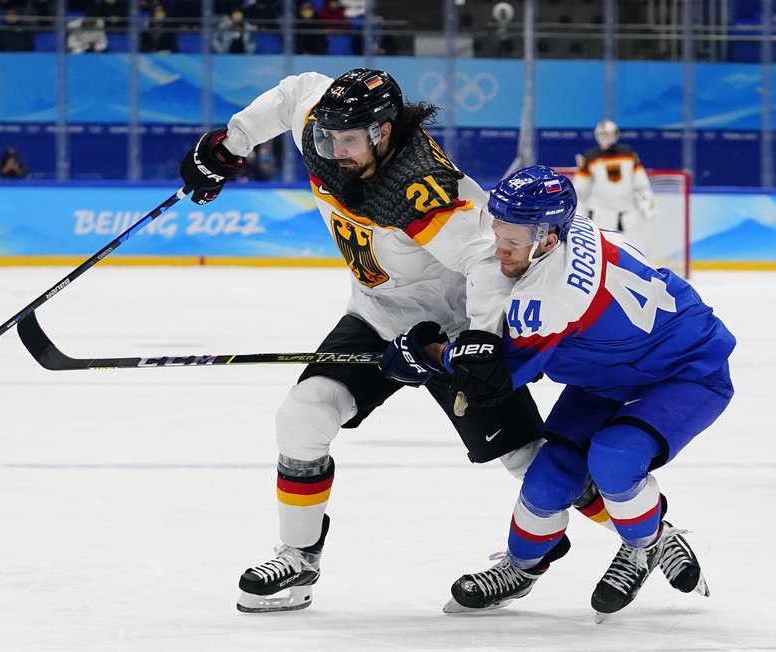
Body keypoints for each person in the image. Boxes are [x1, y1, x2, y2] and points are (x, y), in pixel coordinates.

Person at [178, 68, 566, 613]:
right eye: (328, 136)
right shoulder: (329, 129)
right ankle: (297, 558)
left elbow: (491, 262)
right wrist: (229, 144)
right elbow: (296, 92)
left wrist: (478, 340)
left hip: (452, 326)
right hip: (379, 313)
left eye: (349, 140)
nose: (334, 150)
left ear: (383, 132)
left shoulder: (425, 191)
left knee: (529, 458)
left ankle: (646, 533)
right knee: (303, 415)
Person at [387, 166, 733, 620]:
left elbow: (489, 381)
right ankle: (521, 567)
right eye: (499, 233)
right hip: (611, 371)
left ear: (548, 239)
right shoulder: (570, 228)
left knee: (615, 457)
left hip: (687, 369)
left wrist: (428, 353)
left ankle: (644, 544)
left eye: (513, 240)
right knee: (548, 480)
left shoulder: (550, 297)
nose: (500, 249)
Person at [573, 120, 658, 259]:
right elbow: (579, 189)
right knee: (600, 251)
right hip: (601, 211)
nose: (604, 137)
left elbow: (640, 181)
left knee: (637, 249)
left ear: (615, 134)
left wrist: (647, 198)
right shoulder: (590, 157)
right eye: (601, 134)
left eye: (607, 134)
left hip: (629, 210)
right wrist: (580, 210)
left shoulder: (628, 154)